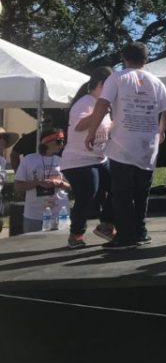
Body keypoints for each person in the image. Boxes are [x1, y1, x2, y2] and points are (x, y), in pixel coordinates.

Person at [85, 42, 166, 250]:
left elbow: (102, 104)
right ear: (146, 59)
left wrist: (91, 132)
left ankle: (125, 236)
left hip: (122, 145)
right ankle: (140, 232)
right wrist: (161, 131)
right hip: (147, 147)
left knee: (122, 193)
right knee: (142, 193)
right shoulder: (156, 81)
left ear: (124, 58)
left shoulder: (117, 77)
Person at [60, 67, 115, 249]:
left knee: (119, 186)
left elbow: (109, 129)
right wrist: (101, 111)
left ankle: (106, 225)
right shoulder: (85, 102)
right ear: (100, 85)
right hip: (78, 160)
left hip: (100, 158)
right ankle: (76, 235)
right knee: (88, 195)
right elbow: (80, 126)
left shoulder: (104, 105)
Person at [14, 129, 70, 233]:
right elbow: (18, 186)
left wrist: (60, 183)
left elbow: (71, 187)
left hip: (59, 214)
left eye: (63, 141)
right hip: (34, 215)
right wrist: (38, 183)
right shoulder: (29, 160)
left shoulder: (63, 160)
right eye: (59, 141)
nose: (62, 144)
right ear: (47, 142)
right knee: (31, 246)